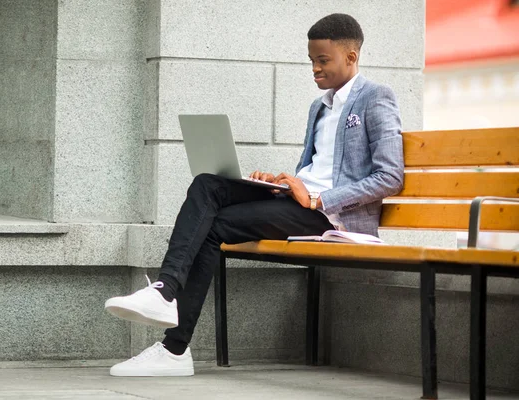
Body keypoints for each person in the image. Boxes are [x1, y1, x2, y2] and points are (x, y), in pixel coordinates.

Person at [104, 13, 404, 377]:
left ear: (351, 56)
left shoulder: (375, 98)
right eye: (311, 61)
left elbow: (390, 176)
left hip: (329, 216)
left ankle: (173, 347)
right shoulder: (318, 107)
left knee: (213, 227)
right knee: (207, 183)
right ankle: (165, 293)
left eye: (322, 61)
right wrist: (280, 183)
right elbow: (313, 168)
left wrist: (317, 198)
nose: (314, 69)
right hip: (298, 201)